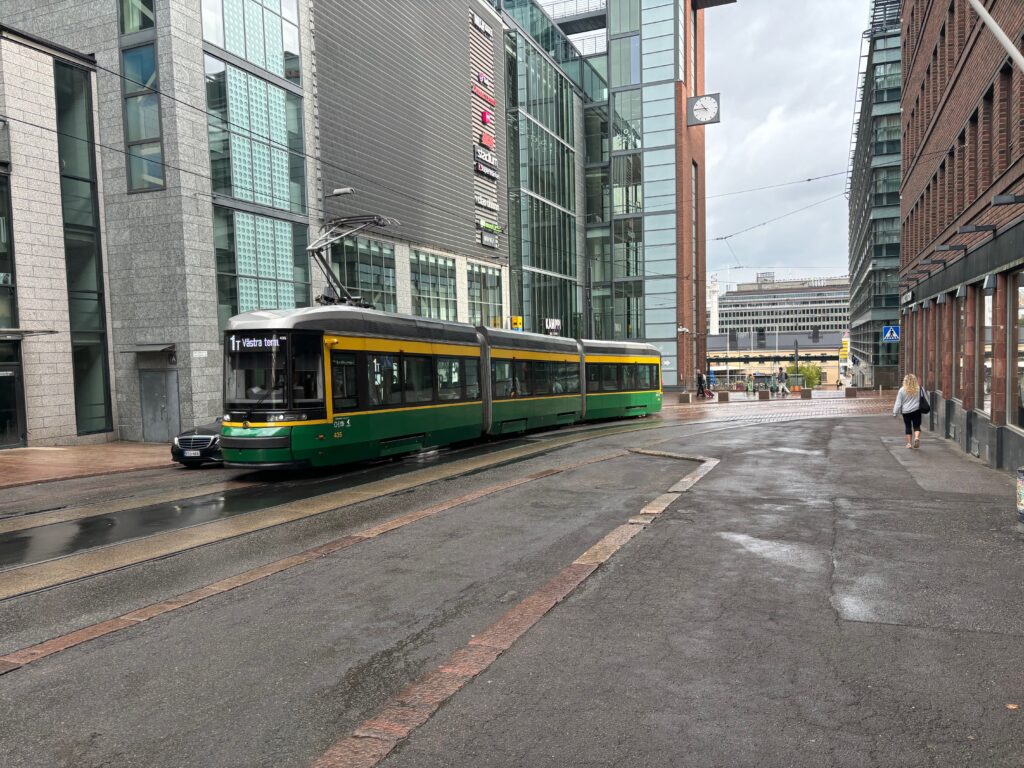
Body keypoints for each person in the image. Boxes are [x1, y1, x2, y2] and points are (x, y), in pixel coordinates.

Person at [893, 373, 923, 449]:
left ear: (905, 381)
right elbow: (924, 398)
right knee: (917, 426)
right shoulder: (919, 388)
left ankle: (909, 443)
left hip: (906, 412)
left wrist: (895, 412)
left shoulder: (902, 390)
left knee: (908, 426)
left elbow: (898, 402)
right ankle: (916, 438)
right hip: (916, 410)